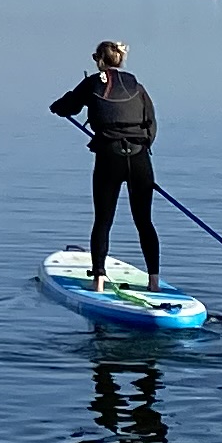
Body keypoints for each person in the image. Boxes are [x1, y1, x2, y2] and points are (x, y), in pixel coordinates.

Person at [48, 40, 160, 287]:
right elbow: (151, 125)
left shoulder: (92, 83)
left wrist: (57, 108)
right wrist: (139, 151)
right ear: (120, 59)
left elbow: (67, 106)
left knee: (103, 220)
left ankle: (98, 279)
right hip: (140, 159)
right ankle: (154, 281)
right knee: (144, 221)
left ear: (98, 59)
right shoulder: (138, 86)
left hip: (109, 158)